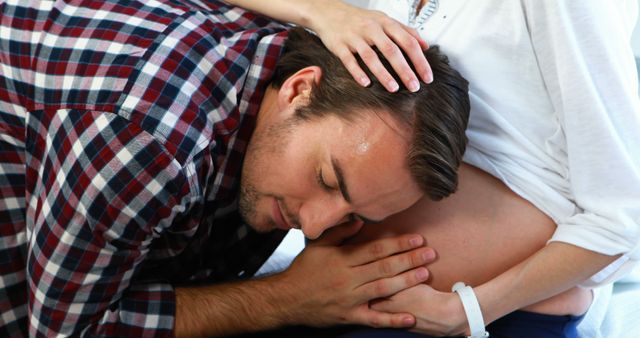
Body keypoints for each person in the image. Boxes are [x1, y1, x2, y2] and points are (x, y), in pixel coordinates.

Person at [0, 0, 473, 337]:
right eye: (326, 179)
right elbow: (70, 330)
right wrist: (287, 298)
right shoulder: (148, 143)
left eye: (355, 216)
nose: (314, 226)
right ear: (299, 90)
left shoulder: (275, 87)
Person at [227, 0, 640, 337]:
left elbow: (624, 214)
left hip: (487, 316)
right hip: (338, 299)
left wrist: (468, 311)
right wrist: (324, 12)